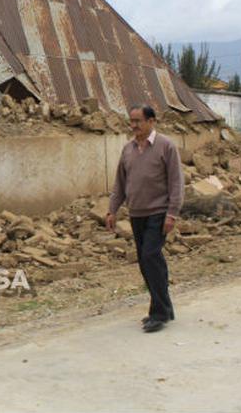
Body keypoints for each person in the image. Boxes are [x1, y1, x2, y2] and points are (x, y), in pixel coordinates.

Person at [106, 104, 184, 333]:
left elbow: (176, 182)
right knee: (145, 262)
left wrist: (172, 213)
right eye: (131, 121)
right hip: (136, 213)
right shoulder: (128, 149)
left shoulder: (166, 146)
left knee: (151, 256)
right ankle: (165, 306)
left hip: (158, 213)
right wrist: (112, 210)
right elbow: (120, 183)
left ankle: (158, 313)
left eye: (138, 121)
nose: (133, 126)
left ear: (152, 122)